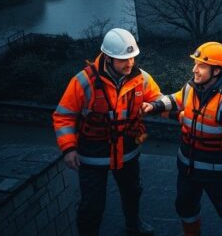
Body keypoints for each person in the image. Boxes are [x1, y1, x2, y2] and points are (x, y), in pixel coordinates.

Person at [52, 28, 161, 236]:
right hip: (93, 156)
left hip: (128, 152)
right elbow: (63, 115)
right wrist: (68, 149)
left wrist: (167, 109)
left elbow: (157, 99)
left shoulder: (141, 78)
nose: (129, 63)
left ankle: (133, 224)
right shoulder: (83, 82)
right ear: (108, 58)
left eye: (131, 57)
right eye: (123, 60)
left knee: (132, 192)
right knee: (92, 206)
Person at [142, 42, 222, 236]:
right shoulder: (191, 88)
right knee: (185, 207)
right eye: (195, 64)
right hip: (187, 169)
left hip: (216, 174)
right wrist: (154, 106)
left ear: (216, 71)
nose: (194, 69)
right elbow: (175, 99)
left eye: (201, 65)